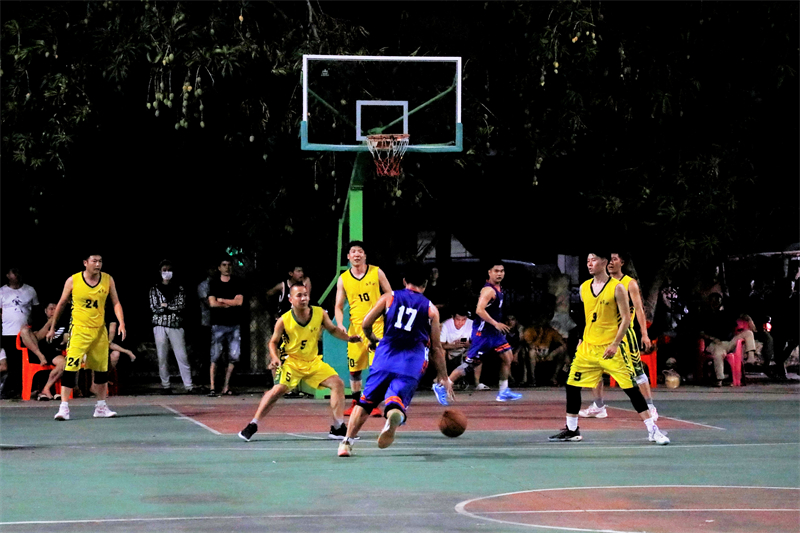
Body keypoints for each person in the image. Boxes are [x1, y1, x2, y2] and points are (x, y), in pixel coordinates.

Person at [549, 251, 669, 445]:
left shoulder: (618, 288)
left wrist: (615, 343)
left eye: (594, 260)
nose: (589, 264)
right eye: (588, 260)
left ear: (604, 262)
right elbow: (586, 317)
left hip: (611, 349)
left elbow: (626, 319)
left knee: (631, 389)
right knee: (572, 385)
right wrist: (581, 338)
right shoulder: (584, 288)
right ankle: (572, 430)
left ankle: (653, 430)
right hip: (588, 348)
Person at [338, 263, 454, 457]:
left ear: (404, 281)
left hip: (385, 355)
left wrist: (372, 339)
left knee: (365, 402)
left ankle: (346, 443)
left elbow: (366, 323)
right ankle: (392, 416)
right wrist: (444, 377)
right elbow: (436, 348)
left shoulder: (389, 297)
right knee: (396, 400)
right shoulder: (431, 309)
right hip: (412, 361)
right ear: (425, 284)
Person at [238, 283, 361, 441]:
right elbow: (273, 342)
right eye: (299, 295)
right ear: (290, 299)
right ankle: (253, 424)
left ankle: (338, 428)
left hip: (313, 362)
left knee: (337, 383)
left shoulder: (319, 313)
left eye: (305, 295)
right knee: (278, 390)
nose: (304, 298)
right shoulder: (284, 320)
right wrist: (274, 357)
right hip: (292, 362)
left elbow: (332, 329)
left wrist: (349, 338)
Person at [580, 252, 657, 420]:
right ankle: (599, 406)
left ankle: (650, 406)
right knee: (595, 370)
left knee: (636, 371)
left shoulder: (629, 283)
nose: (611, 263)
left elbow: (639, 310)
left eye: (615, 259)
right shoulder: (599, 285)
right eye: (609, 259)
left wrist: (644, 334)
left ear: (622, 262)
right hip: (601, 335)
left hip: (625, 335)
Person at [49, 254, 125, 420]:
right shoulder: (73, 280)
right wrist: (53, 327)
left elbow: (116, 302)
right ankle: (63, 408)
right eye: (94, 261)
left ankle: (101, 407)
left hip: (99, 331)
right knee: (71, 368)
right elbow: (61, 303)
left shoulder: (108, 280)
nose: (98, 264)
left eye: (100, 261)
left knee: (101, 371)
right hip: (79, 330)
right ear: (85, 263)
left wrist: (121, 323)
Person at [447, 260, 523, 402]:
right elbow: (479, 310)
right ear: (489, 272)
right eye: (496, 271)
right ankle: (445, 384)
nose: (499, 274)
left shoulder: (499, 288)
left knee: (508, 357)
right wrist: (496, 323)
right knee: (472, 364)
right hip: (483, 334)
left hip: (494, 333)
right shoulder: (488, 290)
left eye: (502, 271)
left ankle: (503, 391)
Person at [334, 241, 393, 417]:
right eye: (353, 252)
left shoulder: (376, 272)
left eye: (360, 251)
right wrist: (340, 324)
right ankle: (355, 402)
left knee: (377, 367)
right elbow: (338, 306)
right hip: (355, 329)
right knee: (354, 368)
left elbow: (390, 294)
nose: (357, 254)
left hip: (377, 327)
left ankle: (372, 402)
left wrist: (387, 311)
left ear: (365, 255)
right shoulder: (343, 278)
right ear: (348, 256)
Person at [149, 260, 194, 394]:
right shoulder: (154, 289)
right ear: (160, 272)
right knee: (162, 356)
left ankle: (189, 386)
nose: (167, 273)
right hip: (159, 325)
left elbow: (181, 306)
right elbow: (154, 307)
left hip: (175, 325)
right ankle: (166, 385)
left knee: (182, 355)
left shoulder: (179, 288)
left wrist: (166, 306)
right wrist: (170, 308)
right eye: (164, 270)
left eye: (169, 270)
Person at [207, 257, 246, 396]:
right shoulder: (214, 283)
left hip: (234, 324)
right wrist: (230, 303)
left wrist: (222, 300)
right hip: (218, 324)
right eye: (224, 265)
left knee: (234, 356)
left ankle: (226, 386)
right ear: (219, 267)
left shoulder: (237, 282)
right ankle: (212, 387)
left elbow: (239, 302)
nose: (227, 267)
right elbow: (212, 303)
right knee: (215, 356)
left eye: (229, 265)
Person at [0, 267, 39, 398]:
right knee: (13, 363)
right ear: (7, 275)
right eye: (13, 273)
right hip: (8, 332)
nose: (16, 275)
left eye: (17, 272)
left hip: (25, 333)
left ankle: (27, 388)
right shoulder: (2, 291)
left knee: (26, 362)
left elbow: (35, 309)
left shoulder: (30, 290)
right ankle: (12, 390)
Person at [19, 302, 69, 400]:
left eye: (56, 309)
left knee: (63, 364)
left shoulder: (64, 321)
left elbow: (66, 338)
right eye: (51, 309)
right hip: (38, 349)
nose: (53, 311)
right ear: (45, 311)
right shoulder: (40, 320)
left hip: (53, 350)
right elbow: (38, 337)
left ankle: (46, 388)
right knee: (24, 330)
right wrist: (50, 323)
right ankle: (40, 356)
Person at [523, 319, 568, 387]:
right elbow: (529, 345)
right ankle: (533, 380)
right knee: (531, 352)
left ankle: (554, 378)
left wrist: (566, 356)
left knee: (562, 349)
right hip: (536, 353)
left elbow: (562, 342)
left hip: (547, 354)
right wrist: (540, 335)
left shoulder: (550, 331)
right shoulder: (530, 330)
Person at [439, 307, 476, 386]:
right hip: (450, 354)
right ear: (453, 317)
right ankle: (441, 378)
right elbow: (441, 345)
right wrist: (455, 346)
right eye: (458, 319)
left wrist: (468, 344)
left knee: (478, 351)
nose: (460, 322)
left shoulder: (471, 324)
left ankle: (477, 383)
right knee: (440, 352)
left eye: (463, 320)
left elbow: (476, 341)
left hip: (465, 352)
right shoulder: (446, 325)